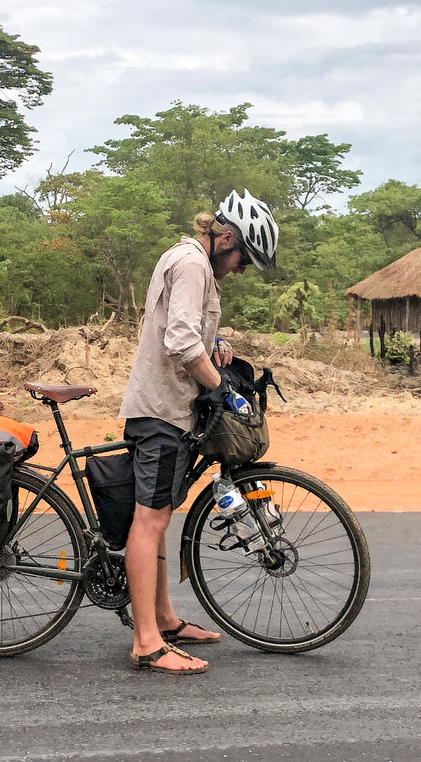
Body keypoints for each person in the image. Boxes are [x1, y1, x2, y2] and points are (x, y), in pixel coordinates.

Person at [119, 189, 278, 674]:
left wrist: (220, 344)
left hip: (169, 410)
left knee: (159, 515)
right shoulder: (192, 264)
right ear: (225, 238)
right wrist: (223, 390)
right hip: (162, 412)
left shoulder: (196, 265)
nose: (242, 269)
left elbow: (190, 330)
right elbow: (181, 340)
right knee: (150, 522)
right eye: (244, 259)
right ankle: (147, 642)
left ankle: (164, 618)